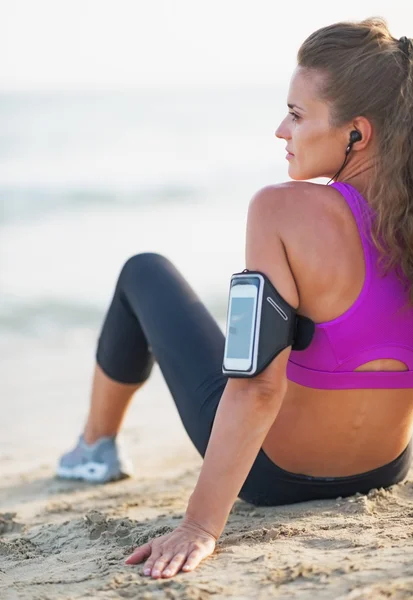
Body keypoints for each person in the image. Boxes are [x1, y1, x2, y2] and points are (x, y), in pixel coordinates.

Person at [57, 18, 413, 579]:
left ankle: (94, 449)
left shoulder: (282, 209)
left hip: (274, 477)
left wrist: (200, 526)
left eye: (296, 115)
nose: (280, 131)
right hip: (385, 468)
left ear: (357, 134)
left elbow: (257, 386)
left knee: (143, 271)